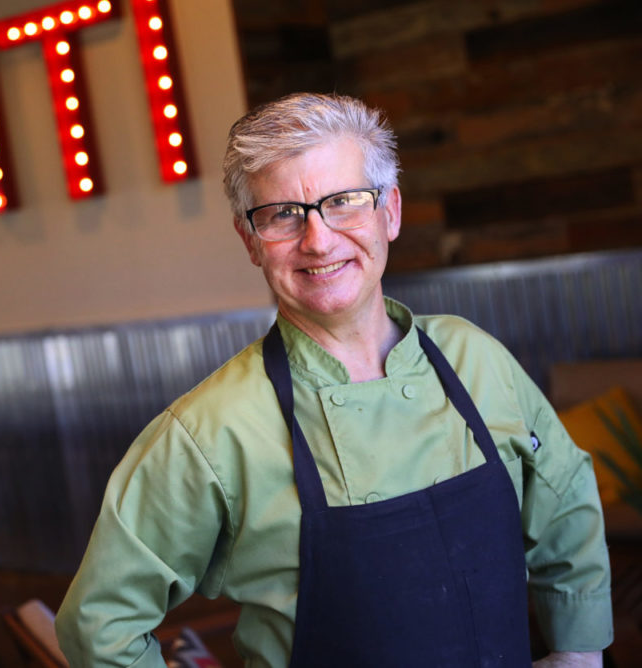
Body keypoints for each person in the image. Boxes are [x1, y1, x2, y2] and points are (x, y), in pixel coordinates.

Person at [55, 93, 612, 667]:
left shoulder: (474, 357)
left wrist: (578, 650)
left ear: (390, 212)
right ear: (250, 241)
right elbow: (100, 627)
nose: (318, 239)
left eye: (344, 201)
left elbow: (564, 492)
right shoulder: (209, 431)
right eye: (283, 214)